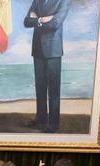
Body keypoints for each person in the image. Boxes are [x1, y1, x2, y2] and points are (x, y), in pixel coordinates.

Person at [23, 0, 70, 132]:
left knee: (54, 91)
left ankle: (54, 124)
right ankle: (41, 119)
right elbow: (26, 22)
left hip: (53, 51)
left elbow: (56, 23)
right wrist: (43, 19)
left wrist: (37, 20)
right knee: (40, 88)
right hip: (37, 49)